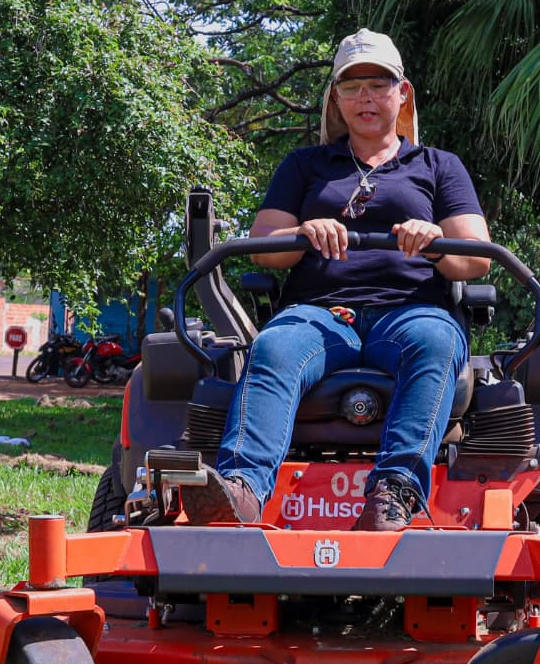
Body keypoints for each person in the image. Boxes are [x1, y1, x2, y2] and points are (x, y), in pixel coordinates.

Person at [188, 28, 492, 531]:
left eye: (378, 84)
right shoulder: (305, 166)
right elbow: (266, 247)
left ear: (403, 93)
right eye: (351, 87)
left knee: (437, 342)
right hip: (320, 315)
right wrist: (302, 230)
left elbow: (474, 258)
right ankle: (239, 493)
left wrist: (434, 237)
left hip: (410, 313)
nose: (365, 97)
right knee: (275, 347)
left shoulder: (439, 167)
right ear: (335, 98)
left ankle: (393, 494)